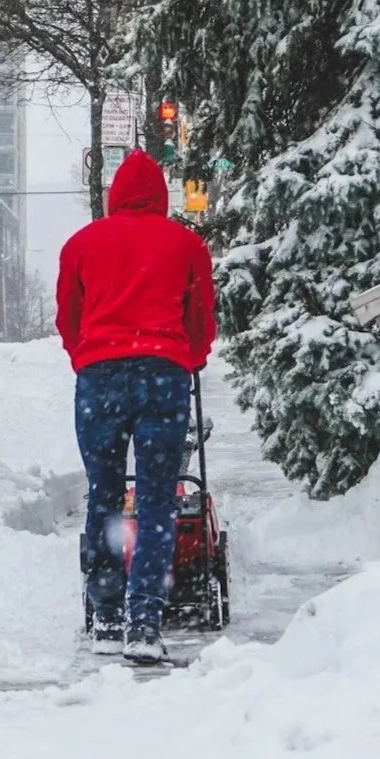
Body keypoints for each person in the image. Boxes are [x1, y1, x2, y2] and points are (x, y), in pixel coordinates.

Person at [56, 149, 217, 661]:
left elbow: (69, 316)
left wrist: (87, 356)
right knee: (156, 501)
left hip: (100, 379)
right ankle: (143, 621)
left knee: (104, 495)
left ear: (114, 194)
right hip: (163, 376)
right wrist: (189, 356)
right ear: (161, 196)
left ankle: (104, 613)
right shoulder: (186, 243)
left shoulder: (81, 245)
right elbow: (201, 315)